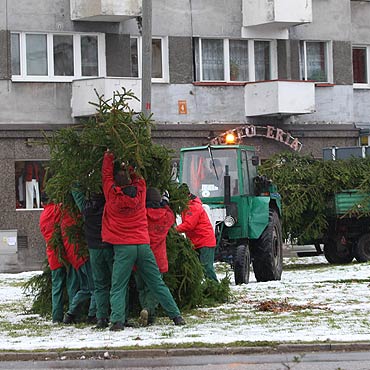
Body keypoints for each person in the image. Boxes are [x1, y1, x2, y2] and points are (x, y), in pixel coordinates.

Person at [101, 150, 185, 331]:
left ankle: (117, 321)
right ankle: (176, 316)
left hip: (123, 247)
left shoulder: (111, 195)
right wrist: (129, 163)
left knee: (118, 286)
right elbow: (138, 176)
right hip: (143, 244)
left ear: (116, 182)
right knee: (156, 283)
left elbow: (106, 175)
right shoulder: (140, 191)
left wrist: (109, 155)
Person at [71, 186, 115, 329]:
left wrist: (75, 183)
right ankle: (118, 315)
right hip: (109, 247)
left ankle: (100, 317)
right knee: (116, 283)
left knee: (99, 285)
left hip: (94, 249)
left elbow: (78, 195)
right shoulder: (109, 207)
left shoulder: (85, 208)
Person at [136, 187, 176, 326]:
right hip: (158, 258)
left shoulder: (141, 215)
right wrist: (165, 202)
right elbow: (172, 215)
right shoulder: (165, 215)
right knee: (155, 288)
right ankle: (149, 311)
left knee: (142, 287)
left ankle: (146, 312)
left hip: (141, 256)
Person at [60, 207, 97, 324]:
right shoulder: (73, 217)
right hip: (83, 255)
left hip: (76, 258)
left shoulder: (64, 218)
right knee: (96, 288)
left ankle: (71, 313)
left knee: (86, 289)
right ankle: (92, 315)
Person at [176, 183, 218, 282]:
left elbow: (189, 225)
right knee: (199, 268)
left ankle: (214, 287)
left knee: (207, 268)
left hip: (204, 241)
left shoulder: (193, 207)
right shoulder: (188, 205)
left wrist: (173, 230)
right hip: (197, 242)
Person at [39, 194, 66, 323]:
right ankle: (72, 312)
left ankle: (57, 316)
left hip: (52, 255)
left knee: (57, 287)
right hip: (65, 253)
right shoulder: (57, 209)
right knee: (72, 283)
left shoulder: (43, 216)